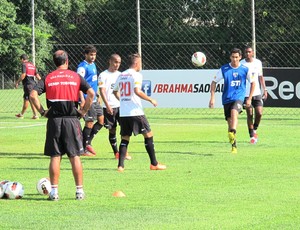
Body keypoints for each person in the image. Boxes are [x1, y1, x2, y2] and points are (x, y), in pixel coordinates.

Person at [30, 50, 94, 201]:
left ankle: (54, 193)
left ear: (55, 62)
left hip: (55, 121)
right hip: (72, 120)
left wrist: (42, 111)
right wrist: (83, 111)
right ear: (67, 61)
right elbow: (91, 94)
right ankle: (79, 192)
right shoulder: (75, 76)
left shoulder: (48, 77)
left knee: (55, 156)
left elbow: (32, 95)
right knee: (75, 156)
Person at [113, 53, 166, 171]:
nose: (141, 65)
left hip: (124, 112)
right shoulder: (136, 75)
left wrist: (123, 101)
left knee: (125, 138)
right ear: (136, 63)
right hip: (135, 111)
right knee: (148, 135)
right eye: (140, 63)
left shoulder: (122, 74)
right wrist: (150, 99)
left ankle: (120, 166)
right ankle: (154, 164)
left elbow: (115, 91)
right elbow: (137, 91)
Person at [209, 48, 255, 154]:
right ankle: (234, 145)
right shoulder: (224, 69)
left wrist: (249, 98)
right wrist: (212, 97)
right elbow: (214, 82)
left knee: (235, 112)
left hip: (239, 97)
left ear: (240, 57)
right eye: (233, 57)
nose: (234, 59)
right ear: (230, 57)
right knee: (229, 122)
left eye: (236, 57)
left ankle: (233, 131)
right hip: (226, 99)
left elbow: (253, 83)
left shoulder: (245, 69)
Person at [99, 54, 131, 160]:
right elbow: (102, 91)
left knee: (125, 130)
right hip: (109, 107)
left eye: (119, 62)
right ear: (110, 61)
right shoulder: (103, 75)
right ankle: (116, 152)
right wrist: (107, 105)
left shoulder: (121, 75)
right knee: (112, 130)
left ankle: (124, 152)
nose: (117, 64)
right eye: (115, 62)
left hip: (121, 106)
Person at [77, 45, 104, 156]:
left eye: (94, 55)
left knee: (101, 121)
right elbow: (78, 84)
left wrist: (97, 94)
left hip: (94, 98)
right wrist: (82, 99)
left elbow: (92, 82)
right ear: (86, 55)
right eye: (91, 55)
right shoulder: (82, 67)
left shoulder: (93, 65)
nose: (93, 57)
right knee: (89, 123)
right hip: (86, 98)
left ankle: (88, 142)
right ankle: (83, 149)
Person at [241, 45, 267, 144]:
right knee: (249, 114)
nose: (248, 54)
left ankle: (254, 129)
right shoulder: (241, 64)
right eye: (246, 52)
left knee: (259, 113)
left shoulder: (258, 63)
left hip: (257, 92)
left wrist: (265, 89)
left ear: (252, 53)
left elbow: (261, 77)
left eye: (249, 52)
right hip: (246, 94)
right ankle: (252, 136)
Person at [15, 54, 41, 119]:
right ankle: (21, 114)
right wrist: (42, 83)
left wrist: (17, 82)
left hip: (28, 85)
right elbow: (37, 76)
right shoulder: (32, 65)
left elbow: (23, 75)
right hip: (33, 84)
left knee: (30, 99)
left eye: (20, 60)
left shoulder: (24, 65)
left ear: (22, 59)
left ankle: (35, 115)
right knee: (26, 99)